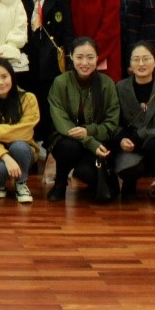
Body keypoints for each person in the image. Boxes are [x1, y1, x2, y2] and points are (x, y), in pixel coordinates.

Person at [47, 37, 121, 202]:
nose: (85, 63)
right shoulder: (60, 82)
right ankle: (60, 183)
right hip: (69, 139)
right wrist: (89, 142)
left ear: (97, 58)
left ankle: (93, 181)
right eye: (79, 57)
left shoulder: (107, 84)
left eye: (90, 57)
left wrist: (89, 131)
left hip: (99, 139)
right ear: (71, 57)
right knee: (69, 146)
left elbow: (112, 123)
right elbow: (61, 122)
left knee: (88, 173)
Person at [112, 42, 155, 209]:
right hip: (130, 144)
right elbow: (114, 123)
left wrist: (139, 135)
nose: (141, 64)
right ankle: (129, 183)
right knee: (127, 167)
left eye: (146, 59)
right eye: (136, 59)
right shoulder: (120, 87)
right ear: (130, 63)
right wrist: (121, 139)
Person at [18, 0, 74, 150]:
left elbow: (67, 31)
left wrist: (69, 60)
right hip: (25, 61)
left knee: (49, 105)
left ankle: (49, 147)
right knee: (27, 105)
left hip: (51, 62)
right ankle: (29, 146)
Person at [0, 57, 40, 204]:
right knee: (0, 169)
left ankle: (21, 183)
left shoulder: (28, 99)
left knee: (19, 146)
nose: (0, 82)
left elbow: (24, 131)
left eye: (4, 76)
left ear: (12, 76)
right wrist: (5, 157)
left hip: (22, 150)